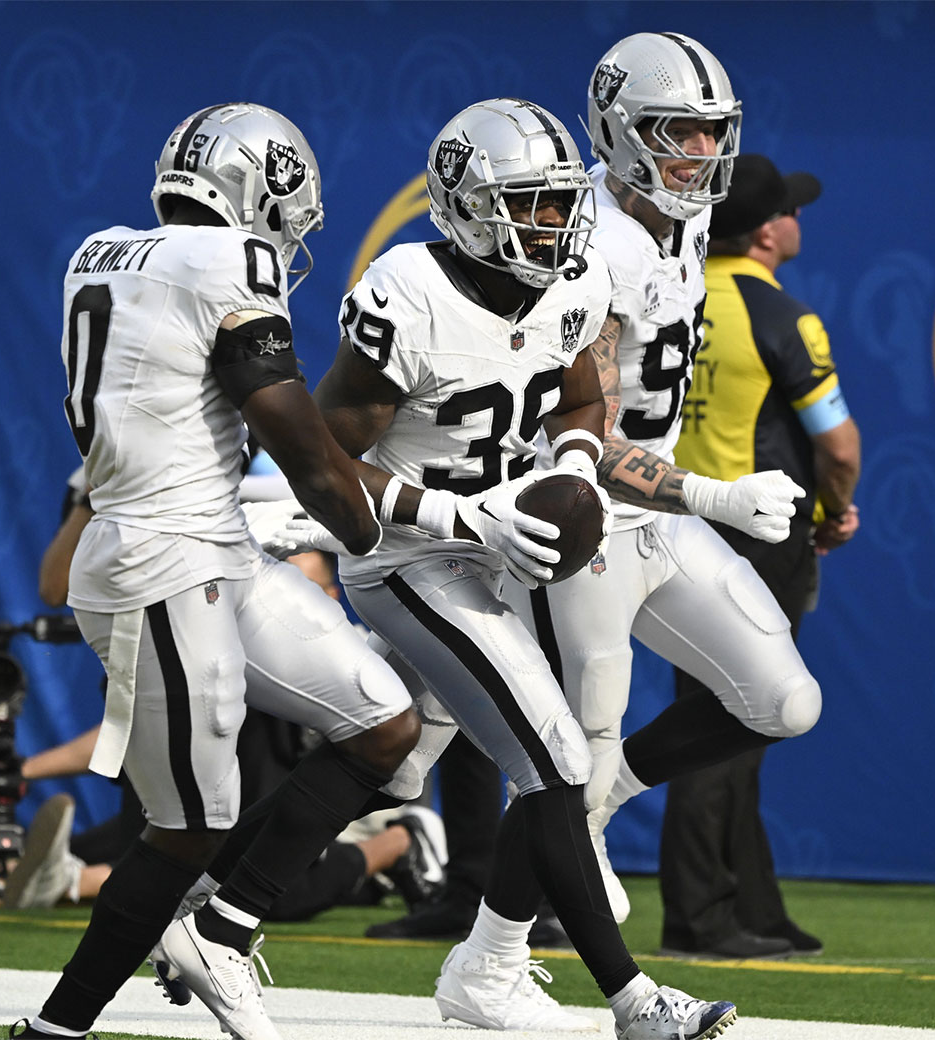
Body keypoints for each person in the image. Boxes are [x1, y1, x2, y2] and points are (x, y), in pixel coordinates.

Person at [297, 96, 739, 1039]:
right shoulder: (407, 290)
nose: (552, 222)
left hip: (499, 548)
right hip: (412, 552)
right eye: (528, 204)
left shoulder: (573, 278)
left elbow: (582, 399)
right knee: (556, 760)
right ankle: (630, 1001)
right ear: (462, 203)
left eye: (555, 201)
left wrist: (574, 468)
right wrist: (461, 511)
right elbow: (326, 469)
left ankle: (217, 909)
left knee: (398, 759)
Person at [11, 103, 420, 1040]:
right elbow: (301, 445)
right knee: (190, 826)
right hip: (162, 559)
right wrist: (386, 532)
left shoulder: (102, 250)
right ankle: (58, 1029)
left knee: (381, 721)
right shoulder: (229, 262)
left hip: (208, 547)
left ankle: (224, 931)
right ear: (251, 191)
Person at [438, 31, 827, 994]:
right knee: (563, 757)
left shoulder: (683, 224)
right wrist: (715, 493)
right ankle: (490, 960)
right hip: (577, 514)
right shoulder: (590, 241)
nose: (701, 155)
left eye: (710, 134)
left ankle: (599, 804)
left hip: (654, 511)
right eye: (677, 134)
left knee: (783, 702)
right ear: (617, 132)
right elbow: (593, 437)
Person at [659, 153, 860, 958]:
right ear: (768, 232)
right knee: (735, 722)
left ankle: (751, 905)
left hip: (676, 526)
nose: (799, 221)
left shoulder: (670, 298)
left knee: (732, 719)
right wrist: (835, 511)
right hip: (764, 535)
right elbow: (839, 448)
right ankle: (701, 918)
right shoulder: (783, 316)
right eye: (791, 211)